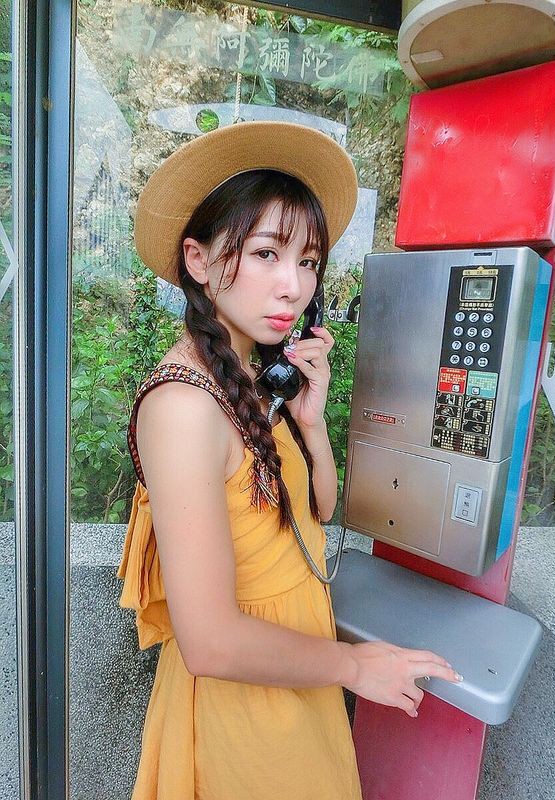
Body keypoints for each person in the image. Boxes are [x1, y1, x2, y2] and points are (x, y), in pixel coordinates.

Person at [116, 120, 463, 800]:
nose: (293, 287)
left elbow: (319, 513)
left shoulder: (249, 380)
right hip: (247, 707)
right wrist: (355, 667)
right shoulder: (184, 407)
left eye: (307, 262)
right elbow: (210, 642)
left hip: (301, 673)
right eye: (267, 253)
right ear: (198, 260)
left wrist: (310, 422)